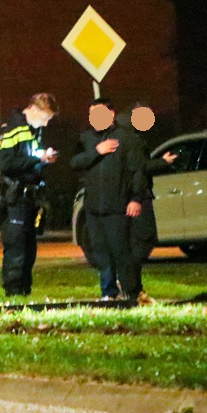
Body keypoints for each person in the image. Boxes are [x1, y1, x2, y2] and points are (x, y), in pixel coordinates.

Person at [70, 98, 149, 304]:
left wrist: (135, 198)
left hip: (118, 207)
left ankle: (132, 292)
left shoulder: (126, 139)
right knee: (101, 253)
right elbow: (75, 162)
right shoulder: (87, 138)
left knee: (121, 252)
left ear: (111, 114)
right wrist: (97, 151)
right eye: (91, 115)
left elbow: (137, 171)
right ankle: (108, 292)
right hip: (94, 208)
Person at [0, 93, 58, 297]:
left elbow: (29, 158)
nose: (46, 124)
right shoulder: (11, 129)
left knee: (29, 249)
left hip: (29, 197)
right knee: (16, 247)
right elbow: (7, 164)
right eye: (45, 118)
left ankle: (24, 291)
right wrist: (37, 160)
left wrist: (43, 159)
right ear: (34, 109)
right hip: (15, 198)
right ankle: (14, 294)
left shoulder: (31, 131)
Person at [118, 103, 176, 305]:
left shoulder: (125, 134)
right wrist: (163, 163)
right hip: (138, 196)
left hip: (132, 195)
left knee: (137, 241)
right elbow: (139, 168)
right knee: (144, 239)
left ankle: (132, 287)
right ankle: (128, 284)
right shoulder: (131, 139)